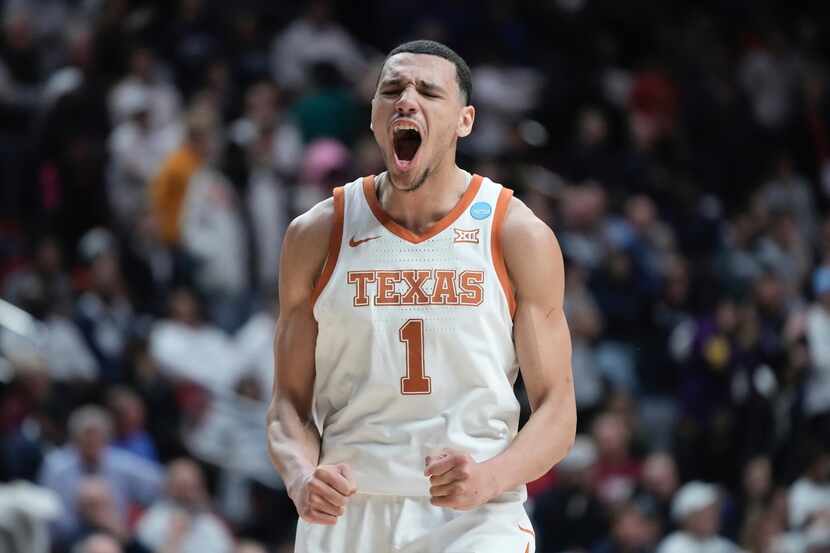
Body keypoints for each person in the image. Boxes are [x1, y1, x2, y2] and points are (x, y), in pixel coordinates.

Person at [266, 39, 576, 552]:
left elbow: (558, 410)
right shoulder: (317, 233)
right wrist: (301, 477)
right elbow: (288, 408)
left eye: (429, 91)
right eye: (392, 90)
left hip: (473, 516)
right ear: (373, 116)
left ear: (464, 121)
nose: (406, 100)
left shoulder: (514, 233)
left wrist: (492, 478)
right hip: (348, 510)